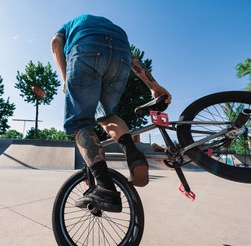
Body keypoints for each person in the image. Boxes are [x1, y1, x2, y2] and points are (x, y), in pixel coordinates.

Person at [51, 14, 172, 212]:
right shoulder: (110, 27)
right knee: (107, 116)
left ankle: (105, 188)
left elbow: (56, 43)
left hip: (85, 49)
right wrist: (154, 86)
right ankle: (134, 156)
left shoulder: (70, 25)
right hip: (121, 55)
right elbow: (133, 60)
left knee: (81, 122)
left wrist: (65, 78)